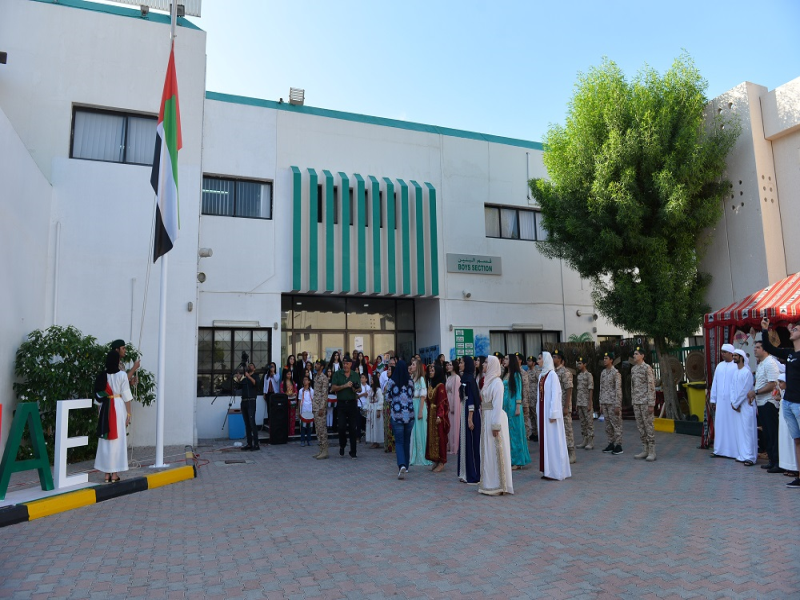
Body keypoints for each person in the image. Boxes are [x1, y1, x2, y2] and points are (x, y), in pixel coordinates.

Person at [759, 317, 800, 488]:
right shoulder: (789, 353)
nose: (792, 331)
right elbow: (768, 347)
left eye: (796, 329)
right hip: (788, 403)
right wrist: (764, 330)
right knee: (797, 441)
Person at [95, 350, 133, 483]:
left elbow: (98, 398)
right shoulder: (122, 375)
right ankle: (114, 474)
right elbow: (126, 396)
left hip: (105, 408)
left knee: (106, 440)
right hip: (117, 407)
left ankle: (106, 475)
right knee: (117, 441)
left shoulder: (101, 376)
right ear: (117, 361)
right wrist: (129, 413)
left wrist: (99, 413)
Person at [479, 356, 514, 495]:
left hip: (494, 418)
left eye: (486, 362)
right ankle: (488, 482)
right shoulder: (487, 381)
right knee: (487, 450)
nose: (483, 364)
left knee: (495, 449)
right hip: (486, 417)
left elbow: (497, 405)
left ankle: (498, 485)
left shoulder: (497, 383)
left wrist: (495, 425)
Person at [538, 351, 571, 481]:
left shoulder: (552, 375)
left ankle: (556, 471)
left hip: (550, 414)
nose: (538, 361)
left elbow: (556, 395)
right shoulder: (542, 375)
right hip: (543, 412)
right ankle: (547, 469)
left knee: (553, 442)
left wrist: (553, 413)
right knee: (546, 442)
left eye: (540, 359)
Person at [750, 340, 781, 472]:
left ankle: (778, 462)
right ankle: (771, 460)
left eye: (758, 347)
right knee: (767, 433)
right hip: (761, 403)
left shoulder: (770, 363)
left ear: (765, 349)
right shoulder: (761, 364)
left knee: (773, 433)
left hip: (769, 402)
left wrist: (755, 392)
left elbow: (773, 384)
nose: (755, 350)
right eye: (754, 347)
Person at [387, 359, 415, 479]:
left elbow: (388, 397)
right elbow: (412, 395)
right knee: (407, 441)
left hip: (397, 415)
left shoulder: (392, 382)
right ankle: (407, 466)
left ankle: (401, 464)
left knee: (398, 441)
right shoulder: (410, 382)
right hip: (409, 415)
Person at [502, 354, 531, 469]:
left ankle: (518, 461)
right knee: (508, 432)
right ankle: (510, 458)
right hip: (505, 407)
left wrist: (518, 406)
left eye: (507, 359)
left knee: (515, 433)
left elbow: (518, 390)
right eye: (504, 359)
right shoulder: (505, 375)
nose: (504, 360)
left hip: (514, 406)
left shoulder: (516, 375)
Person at [330, 356, 361, 459]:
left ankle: (353, 451)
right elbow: (333, 388)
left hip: (352, 403)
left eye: (347, 363)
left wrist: (355, 389)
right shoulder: (338, 374)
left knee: (353, 427)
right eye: (344, 363)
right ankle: (342, 445)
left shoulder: (355, 375)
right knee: (341, 427)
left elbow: (359, 388)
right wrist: (345, 386)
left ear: (351, 364)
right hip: (341, 403)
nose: (346, 365)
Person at [710, 343, 737, 458]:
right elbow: (715, 383)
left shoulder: (736, 366)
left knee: (732, 425)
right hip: (720, 402)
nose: (722, 354)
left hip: (731, 402)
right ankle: (719, 450)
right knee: (720, 424)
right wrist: (713, 399)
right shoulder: (719, 366)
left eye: (725, 352)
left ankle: (733, 451)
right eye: (721, 352)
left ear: (731, 353)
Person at [457, 356, 481, 484]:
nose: (459, 364)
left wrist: (470, 418)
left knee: (471, 443)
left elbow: (471, 398)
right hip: (465, 410)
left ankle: (473, 474)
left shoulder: (470, 379)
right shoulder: (465, 378)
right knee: (465, 441)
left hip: (469, 412)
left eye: (461, 363)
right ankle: (465, 472)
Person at [731, 349, 757, 466]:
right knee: (739, 431)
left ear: (741, 357)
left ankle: (750, 457)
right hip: (737, 406)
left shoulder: (747, 372)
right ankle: (742, 455)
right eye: (733, 355)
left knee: (748, 431)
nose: (734, 357)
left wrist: (736, 403)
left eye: (736, 355)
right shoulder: (735, 372)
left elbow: (745, 391)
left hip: (746, 405)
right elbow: (732, 389)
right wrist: (733, 403)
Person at [630, 347, 656, 461]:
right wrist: (633, 400)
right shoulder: (633, 369)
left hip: (645, 402)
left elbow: (651, 386)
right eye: (634, 354)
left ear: (642, 356)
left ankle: (652, 451)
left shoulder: (647, 368)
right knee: (640, 427)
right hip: (637, 402)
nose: (634, 356)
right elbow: (632, 386)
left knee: (648, 426)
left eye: (636, 354)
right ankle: (645, 449)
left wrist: (651, 403)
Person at [425, 363, 450, 472]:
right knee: (431, 438)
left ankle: (442, 461)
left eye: (433, 371)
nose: (430, 372)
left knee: (440, 437)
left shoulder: (441, 386)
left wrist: (440, 416)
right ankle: (434, 459)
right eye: (430, 370)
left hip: (438, 416)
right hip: (431, 415)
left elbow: (442, 403)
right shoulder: (431, 385)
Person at [552, 350, 576, 463]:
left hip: (563, 406)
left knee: (567, 430)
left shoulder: (565, 372)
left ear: (560, 359)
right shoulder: (553, 372)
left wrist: (566, 407)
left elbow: (569, 389)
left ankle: (572, 453)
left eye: (555, 357)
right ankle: (562, 453)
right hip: (556, 406)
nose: (553, 359)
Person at [598, 352, 623, 455]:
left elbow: (618, 389)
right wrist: (600, 403)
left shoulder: (616, 373)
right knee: (608, 425)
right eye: (604, 358)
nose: (604, 360)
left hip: (613, 402)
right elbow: (601, 388)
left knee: (616, 424)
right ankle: (611, 443)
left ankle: (618, 445)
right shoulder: (603, 373)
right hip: (605, 402)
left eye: (606, 358)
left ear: (611, 360)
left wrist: (617, 404)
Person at [409, 358, 432, 467]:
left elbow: (423, 396)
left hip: (419, 405)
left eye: (413, 365)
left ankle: (421, 456)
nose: (411, 366)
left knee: (420, 431)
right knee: (414, 431)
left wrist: (420, 411)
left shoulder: (421, 379)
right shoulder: (412, 378)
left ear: (417, 367)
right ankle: (414, 455)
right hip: (413, 405)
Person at [776, 372, 798, 476]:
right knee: (784, 441)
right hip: (783, 419)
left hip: (790, 420)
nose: (779, 384)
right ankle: (787, 466)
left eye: (781, 382)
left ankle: (794, 467)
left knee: (792, 441)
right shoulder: (782, 393)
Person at [575, 356, 595, 450]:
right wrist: (576, 403)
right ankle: (584, 440)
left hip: (586, 402)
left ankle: (590, 441)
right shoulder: (579, 376)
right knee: (583, 423)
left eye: (580, 363)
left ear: (585, 364)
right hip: (580, 402)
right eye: (578, 363)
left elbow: (590, 389)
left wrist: (590, 402)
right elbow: (578, 390)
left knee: (589, 422)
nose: (579, 365)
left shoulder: (589, 375)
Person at [240, 362, 260, 451]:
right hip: (243, 401)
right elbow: (238, 387)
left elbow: (256, 384)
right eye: (249, 365)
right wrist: (238, 379)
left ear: (254, 368)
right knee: (247, 423)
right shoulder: (245, 378)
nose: (249, 366)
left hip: (251, 401)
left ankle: (256, 444)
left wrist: (248, 376)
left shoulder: (256, 376)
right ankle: (249, 443)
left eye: (251, 365)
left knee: (252, 422)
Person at [312, 361, 330, 459]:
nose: (316, 365)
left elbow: (324, 395)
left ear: (322, 367)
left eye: (318, 364)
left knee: (322, 429)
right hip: (315, 406)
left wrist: (322, 408)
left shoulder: (324, 378)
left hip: (320, 408)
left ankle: (325, 450)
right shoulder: (316, 377)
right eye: (316, 364)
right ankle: (321, 450)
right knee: (318, 430)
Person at [446, 360, 461, 455]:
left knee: (453, 424)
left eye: (451, 365)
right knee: (449, 425)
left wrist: (453, 406)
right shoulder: (449, 377)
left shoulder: (457, 378)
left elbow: (457, 394)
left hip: (453, 401)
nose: (448, 366)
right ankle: (449, 445)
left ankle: (455, 446)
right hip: (447, 400)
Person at [367, 373, 385, 448]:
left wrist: (378, 410)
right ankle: (373, 440)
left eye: (372, 379)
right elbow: (368, 399)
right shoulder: (371, 390)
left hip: (375, 408)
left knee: (376, 425)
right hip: (371, 408)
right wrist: (367, 407)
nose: (371, 380)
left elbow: (381, 400)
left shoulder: (378, 390)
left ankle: (377, 441)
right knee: (371, 425)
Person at [526, 356, 541, 441]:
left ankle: (539, 433)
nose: (528, 362)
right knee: (531, 416)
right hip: (529, 397)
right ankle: (534, 432)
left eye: (530, 361)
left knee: (536, 415)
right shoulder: (527, 372)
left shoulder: (537, 372)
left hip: (535, 396)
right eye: (528, 361)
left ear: (534, 363)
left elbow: (540, 384)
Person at [262, 362, 280, 431]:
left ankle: (275, 420)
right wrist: (264, 393)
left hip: (274, 393)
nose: (272, 368)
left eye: (273, 367)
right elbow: (265, 385)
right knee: (269, 408)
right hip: (268, 393)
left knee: (274, 407)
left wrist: (273, 373)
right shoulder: (266, 375)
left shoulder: (277, 374)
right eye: (271, 367)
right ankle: (270, 420)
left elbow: (276, 380)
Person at [298, 375, 314, 447]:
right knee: (303, 426)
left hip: (310, 409)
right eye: (304, 380)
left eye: (306, 380)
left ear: (309, 381)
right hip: (303, 409)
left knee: (309, 426)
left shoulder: (312, 391)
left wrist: (314, 410)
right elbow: (299, 400)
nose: (305, 381)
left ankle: (309, 440)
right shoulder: (301, 390)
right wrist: (298, 411)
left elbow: (313, 400)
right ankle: (302, 440)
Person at [383, 365, 396, 454]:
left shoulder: (393, 382)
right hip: (386, 406)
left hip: (391, 406)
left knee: (391, 425)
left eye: (390, 370)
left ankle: (393, 446)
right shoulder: (387, 382)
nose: (387, 371)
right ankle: (388, 445)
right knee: (387, 425)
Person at [281, 371, 298, 438]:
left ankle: (292, 431)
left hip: (292, 400)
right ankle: (287, 431)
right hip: (286, 400)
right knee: (286, 416)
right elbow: (281, 391)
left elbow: (296, 390)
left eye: (290, 374)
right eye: (288, 374)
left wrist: (294, 393)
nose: (289, 375)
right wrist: (286, 394)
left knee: (292, 417)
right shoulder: (283, 383)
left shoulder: (293, 382)